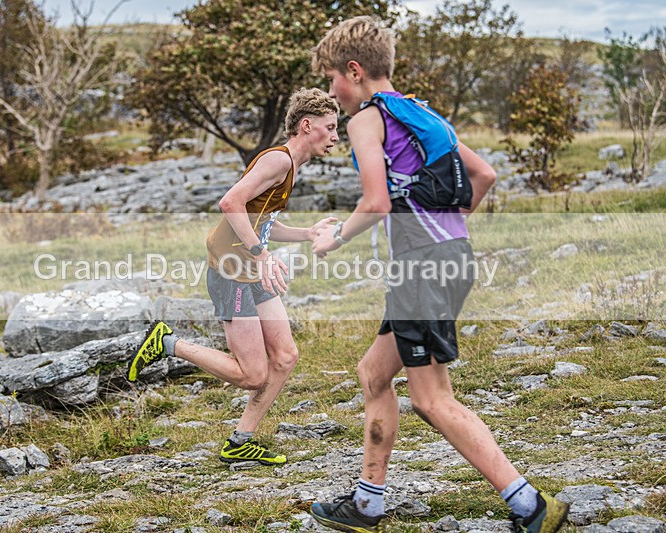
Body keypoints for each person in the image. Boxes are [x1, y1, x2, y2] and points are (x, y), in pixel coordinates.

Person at [307, 16, 570, 533]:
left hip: (422, 268)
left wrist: (333, 238)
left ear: (353, 71)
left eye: (331, 79)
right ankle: (367, 503)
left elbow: (376, 202)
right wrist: (445, 230)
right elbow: (484, 174)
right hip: (449, 257)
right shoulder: (422, 113)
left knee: (431, 398)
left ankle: (531, 506)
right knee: (374, 374)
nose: (331, 92)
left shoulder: (366, 119)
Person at [126, 87, 340, 466]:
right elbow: (230, 202)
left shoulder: (290, 165)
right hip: (231, 271)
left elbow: (263, 222)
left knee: (286, 356)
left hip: (250, 268)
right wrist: (260, 254)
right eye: (330, 127)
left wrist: (306, 234)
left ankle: (241, 440)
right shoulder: (278, 160)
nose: (336, 136)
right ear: (307, 126)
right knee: (253, 375)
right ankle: (168, 343)